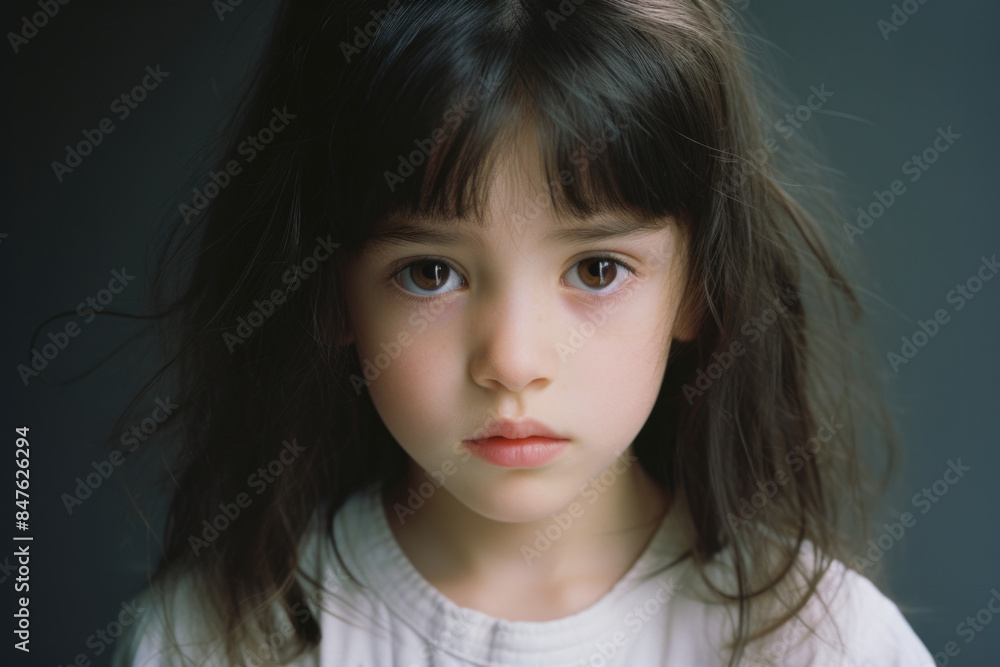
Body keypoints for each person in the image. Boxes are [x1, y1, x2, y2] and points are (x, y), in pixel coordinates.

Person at [113, 0, 936, 664]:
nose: (513, 361)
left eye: (597, 269)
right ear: (330, 293)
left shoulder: (824, 646)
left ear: (699, 286)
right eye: (430, 272)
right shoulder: (211, 643)